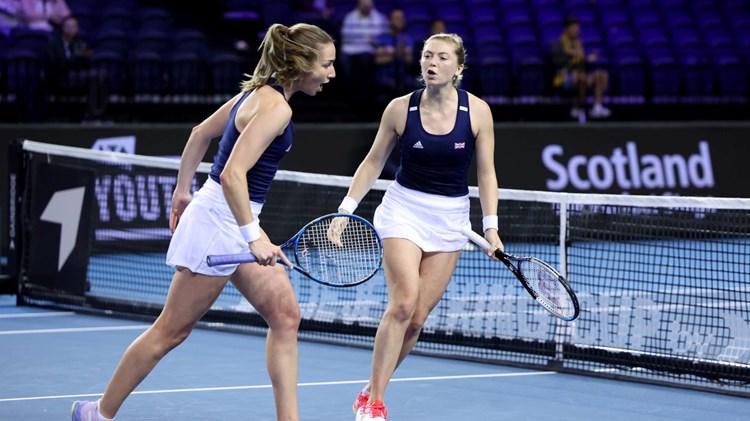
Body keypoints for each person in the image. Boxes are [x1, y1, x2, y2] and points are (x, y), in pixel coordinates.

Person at [70, 22, 336, 421]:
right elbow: (232, 174)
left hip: (230, 216)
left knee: (284, 316)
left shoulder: (254, 95)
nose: (332, 74)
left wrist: (182, 191)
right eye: (327, 64)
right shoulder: (277, 107)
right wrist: (253, 239)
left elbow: (199, 135)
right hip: (219, 224)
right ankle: (96, 414)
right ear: (302, 63)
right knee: (170, 331)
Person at [332, 32, 503, 421]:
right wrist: (346, 209)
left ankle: (370, 390)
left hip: (451, 221)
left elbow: (487, 172)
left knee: (418, 319)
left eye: (443, 57)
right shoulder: (399, 109)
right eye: (427, 55)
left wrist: (490, 227)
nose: (432, 63)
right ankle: (375, 405)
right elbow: (373, 162)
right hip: (403, 211)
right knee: (404, 302)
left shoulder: (478, 113)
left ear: (458, 68)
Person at [46, 15, 109, 122]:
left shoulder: (78, 41)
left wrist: (85, 56)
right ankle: (93, 114)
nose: (70, 29)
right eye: (68, 26)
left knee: (101, 73)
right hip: (60, 77)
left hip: (77, 75)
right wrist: (77, 56)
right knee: (94, 76)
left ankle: (100, 112)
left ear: (77, 28)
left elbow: (84, 60)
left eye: (73, 26)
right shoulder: (55, 42)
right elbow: (58, 62)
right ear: (62, 28)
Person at [549, 15, 611, 119]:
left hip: (581, 75)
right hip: (563, 78)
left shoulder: (578, 44)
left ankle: (597, 106)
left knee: (601, 75)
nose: (576, 31)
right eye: (573, 28)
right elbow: (556, 63)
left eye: (577, 29)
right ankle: (578, 108)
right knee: (581, 78)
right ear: (566, 29)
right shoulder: (557, 44)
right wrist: (571, 56)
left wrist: (587, 60)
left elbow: (581, 62)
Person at [339, 0, 388, 118]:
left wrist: (372, 42)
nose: (366, 8)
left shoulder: (379, 18)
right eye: (363, 5)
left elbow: (383, 37)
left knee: (366, 62)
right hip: (351, 50)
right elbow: (346, 37)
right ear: (358, 5)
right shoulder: (350, 18)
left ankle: (368, 104)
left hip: (371, 52)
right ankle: (351, 98)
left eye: (368, 5)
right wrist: (367, 39)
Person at [374, 8, 414, 105]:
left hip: (401, 76)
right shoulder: (381, 38)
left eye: (401, 18)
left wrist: (389, 55)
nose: (400, 20)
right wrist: (397, 52)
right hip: (383, 75)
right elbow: (377, 60)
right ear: (390, 20)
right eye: (396, 18)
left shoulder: (407, 38)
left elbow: (409, 60)